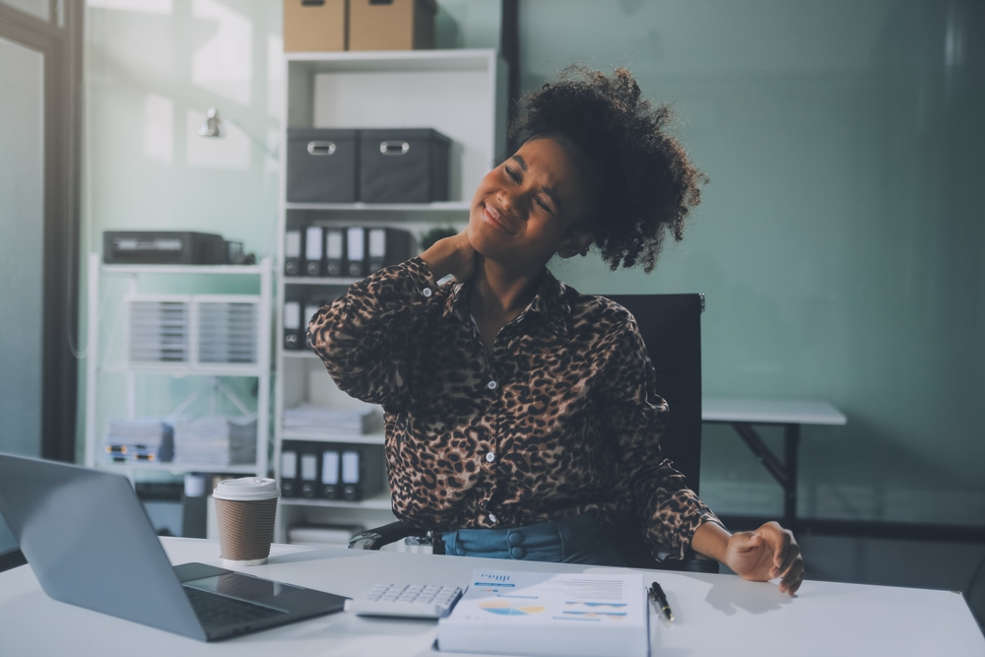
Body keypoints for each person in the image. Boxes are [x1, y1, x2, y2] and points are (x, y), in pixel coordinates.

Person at [309, 67, 805, 595]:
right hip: (439, 574)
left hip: (575, 573)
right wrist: (432, 262)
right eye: (513, 171)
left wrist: (727, 545)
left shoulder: (603, 334)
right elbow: (331, 338)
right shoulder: (416, 321)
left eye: (544, 202)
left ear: (573, 239)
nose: (510, 197)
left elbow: (645, 479)